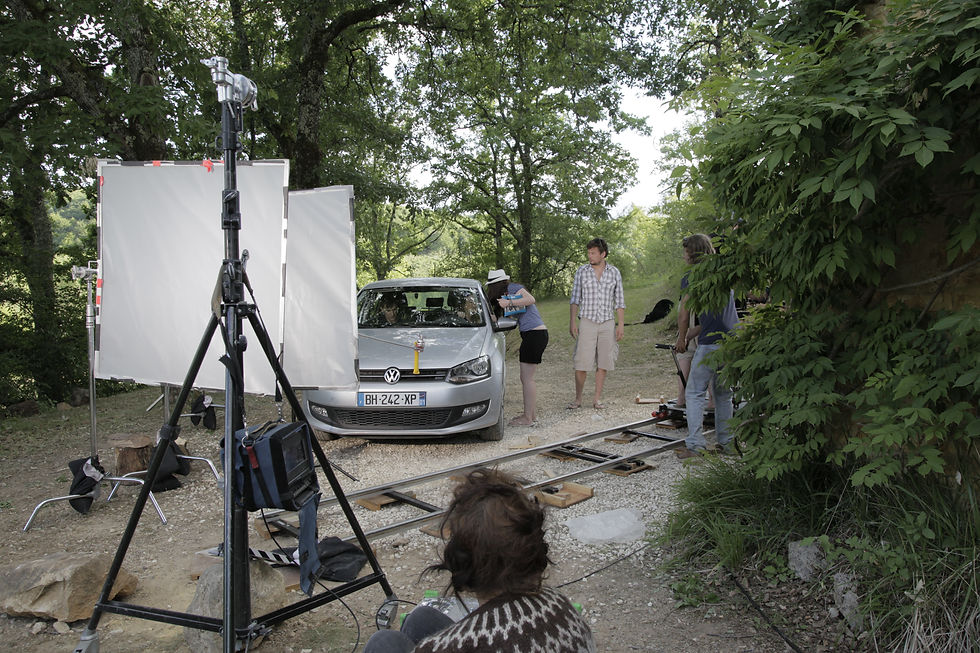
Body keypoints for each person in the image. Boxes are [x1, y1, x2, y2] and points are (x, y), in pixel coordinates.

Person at [363, 468, 596, 653]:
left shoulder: (456, 645)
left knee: (383, 642)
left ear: (460, 562)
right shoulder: (563, 608)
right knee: (421, 619)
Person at [674, 233, 738, 458]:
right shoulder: (723, 271)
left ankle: (696, 446)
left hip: (710, 345)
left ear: (692, 253)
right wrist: (694, 332)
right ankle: (727, 443)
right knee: (723, 394)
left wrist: (681, 338)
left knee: (694, 393)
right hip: (731, 341)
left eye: (685, 252)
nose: (684, 256)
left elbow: (683, 314)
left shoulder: (692, 276)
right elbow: (719, 316)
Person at [568, 237, 625, 410]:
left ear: (603, 254)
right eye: (589, 253)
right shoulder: (582, 271)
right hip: (587, 321)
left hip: (607, 322)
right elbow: (575, 299)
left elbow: (619, 301)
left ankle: (597, 399)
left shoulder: (614, 272)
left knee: (604, 362)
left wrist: (621, 324)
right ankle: (578, 399)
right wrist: (572, 321)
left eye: (593, 253)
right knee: (581, 363)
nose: (590, 256)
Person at [486, 269, 548, 426]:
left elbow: (531, 299)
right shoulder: (505, 296)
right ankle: (531, 415)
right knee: (526, 378)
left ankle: (527, 418)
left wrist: (508, 303)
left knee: (527, 378)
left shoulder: (513, 288)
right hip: (532, 335)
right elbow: (499, 319)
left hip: (535, 334)